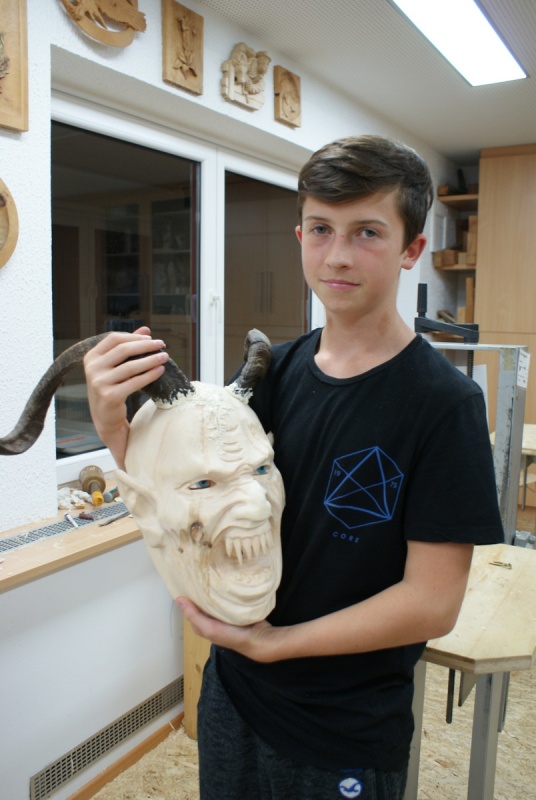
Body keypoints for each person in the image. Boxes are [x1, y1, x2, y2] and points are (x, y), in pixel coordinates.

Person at [84, 135, 504, 800]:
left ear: (412, 248)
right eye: (321, 228)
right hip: (235, 692)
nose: (337, 255)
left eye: (368, 232)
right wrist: (113, 421)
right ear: (300, 235)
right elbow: (177, 489)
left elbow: (432, 603)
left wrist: (275, 644)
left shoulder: (443, 404)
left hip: (342, 727)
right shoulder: (271, 373)